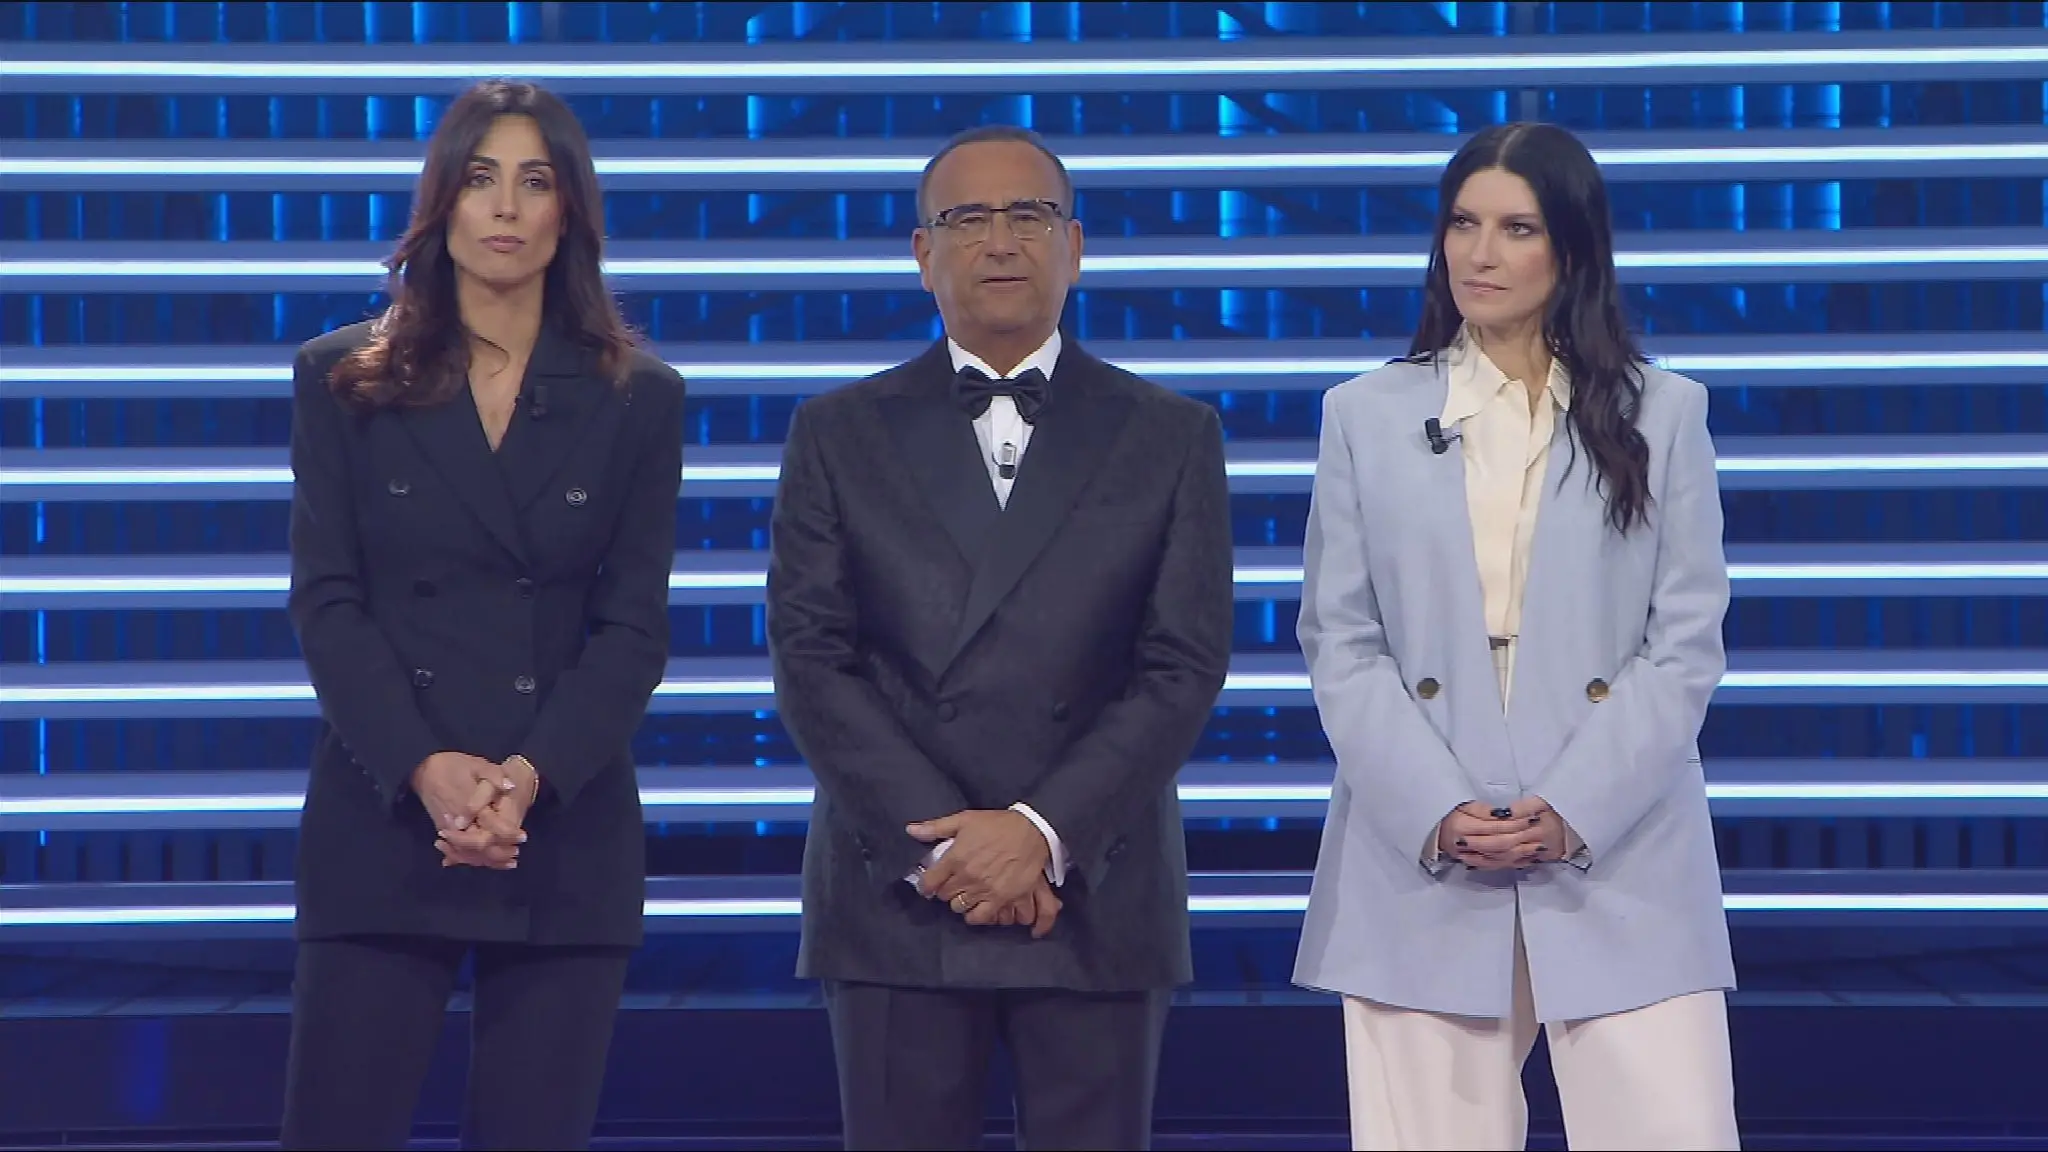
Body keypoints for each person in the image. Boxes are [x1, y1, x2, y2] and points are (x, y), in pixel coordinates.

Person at [765, 124, 1235, 1150]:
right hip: (900, 891)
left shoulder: (1171, 433)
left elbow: (1182, 663)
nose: (1000, 240)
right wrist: (949, 848)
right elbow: (812, 660)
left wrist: (1038, 833)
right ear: (922, 252)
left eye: (1028, 215)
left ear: (1075, 244)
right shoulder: (836, 432)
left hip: (1095, 886)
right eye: (967, 218)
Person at [1291, 121, 1740, 1151]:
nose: (1479, 254)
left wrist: (1577, 805)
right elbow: (1341, 638)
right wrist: (1435, 806)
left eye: (1515, 228)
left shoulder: (1664, 415)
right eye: (1462, 224)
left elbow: (1684, 641)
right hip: (1424, 851)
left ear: (1572, 250)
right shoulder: (1364, 415)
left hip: (1621, 845)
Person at [279, 79, 683, 1150]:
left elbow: (633, 627)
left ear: (569, 210)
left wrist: (526, 780)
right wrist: (424, 768)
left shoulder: (638, 396)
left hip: (560, 828)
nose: (505, 207)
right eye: (479, 178)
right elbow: (327, 600)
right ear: (441, 204)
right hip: (381, 818)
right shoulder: (342, 381)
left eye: (534, 181)